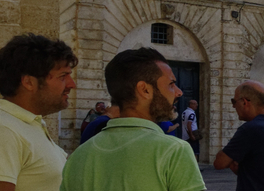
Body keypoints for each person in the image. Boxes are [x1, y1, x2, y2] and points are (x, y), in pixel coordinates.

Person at [60, 46, 204, 191]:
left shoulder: (78, 156)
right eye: (171, 84)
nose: (179, 92)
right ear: (145, 90)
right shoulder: (174, 151)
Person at [0, 33, 78, 191]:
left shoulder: (29, 124)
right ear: (29, 82)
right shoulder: (5, 130)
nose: (72, 84)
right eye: (63, 76)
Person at [214, 81, 264, 191]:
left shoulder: (250, 129)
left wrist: (233, 161)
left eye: (234, 101)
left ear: (244, 102)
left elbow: (219, 163)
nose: (233, 106)